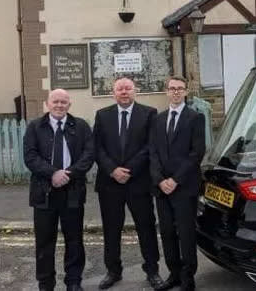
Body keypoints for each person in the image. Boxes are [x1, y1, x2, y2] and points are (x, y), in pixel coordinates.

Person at [94, 78, 163, 289]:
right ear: (113, 92)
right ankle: (113, 271)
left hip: (139, 182)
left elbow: (151, 146)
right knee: (111, 229)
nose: (124, 92)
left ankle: (152, 271)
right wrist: (113, 170)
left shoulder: (149, 113)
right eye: (120, 89)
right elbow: (97, 147)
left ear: (135, 91)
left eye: (128, 88)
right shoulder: (103, 115)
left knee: (146, 228)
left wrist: (128, 170)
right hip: (110, 183)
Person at [23, 88, 94, 291]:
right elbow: (30, 156)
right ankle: (46, 283)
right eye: (55, 101)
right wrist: (53, 173)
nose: (59, 105)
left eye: (64, 102)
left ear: (69, 105)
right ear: (48, 103)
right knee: (44, 242)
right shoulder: (35, 127)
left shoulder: (81, 126)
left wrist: (68, 174)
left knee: (74, 240)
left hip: (72, 191)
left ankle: (73, 281)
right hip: (44, 192)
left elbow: (88, 156)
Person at [149, 75, 206, 291]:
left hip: (184, 186)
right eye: (172, 88)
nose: (175, 92)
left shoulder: (195, 118)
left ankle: (187, 278)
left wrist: (175, 180)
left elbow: (196, 153)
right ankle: (173, 273)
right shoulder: (158, 119)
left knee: (186, 233)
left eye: (179, 89)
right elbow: (152, 152)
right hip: (162, 188)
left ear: (186, 92)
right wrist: (160, 180)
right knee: (167, 232)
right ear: (166, 91)